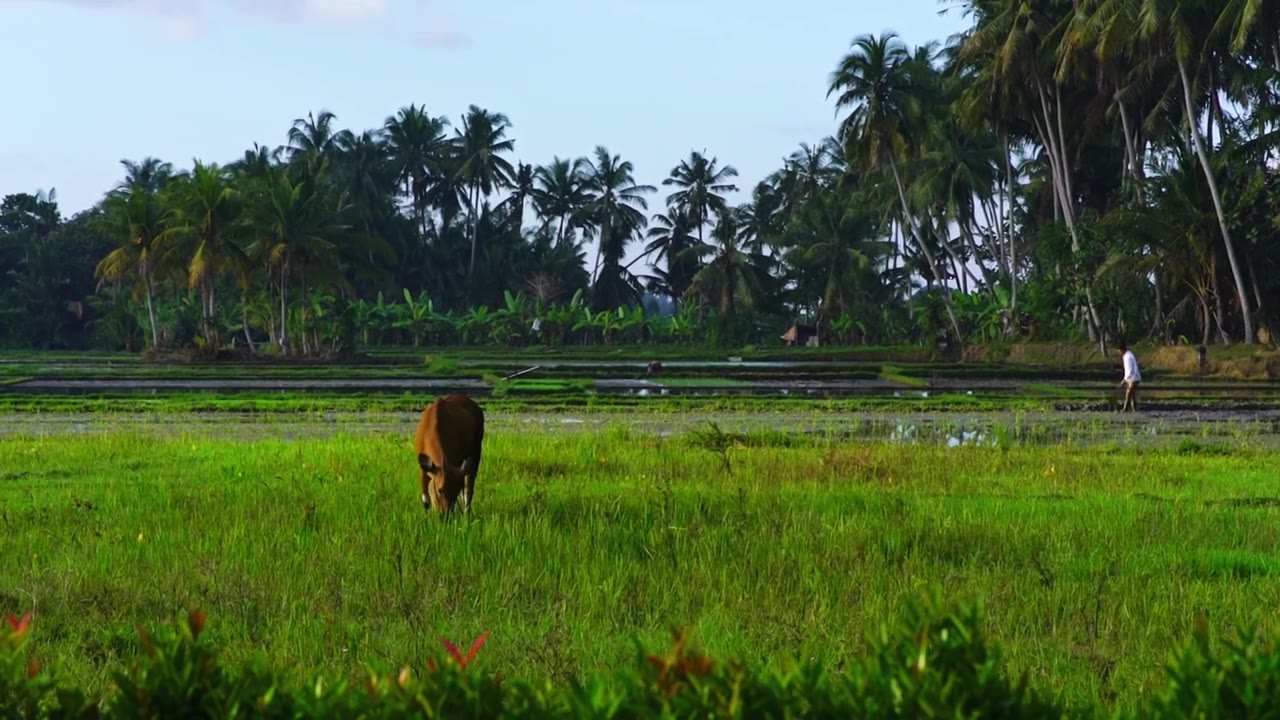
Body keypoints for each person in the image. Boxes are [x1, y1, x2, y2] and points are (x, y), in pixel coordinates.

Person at [1118, 342, 1141, 412]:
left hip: (1133, 377)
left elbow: (1129, 370)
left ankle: (1125, 409)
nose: (1119, 353)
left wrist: (1124, 380)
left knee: (1128, 393)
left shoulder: (1127, 357)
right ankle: (1134, 409)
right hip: (1133, 377)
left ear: (1122, 350)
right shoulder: (1129, 354)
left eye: (1119, 351)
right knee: (1132, 395)